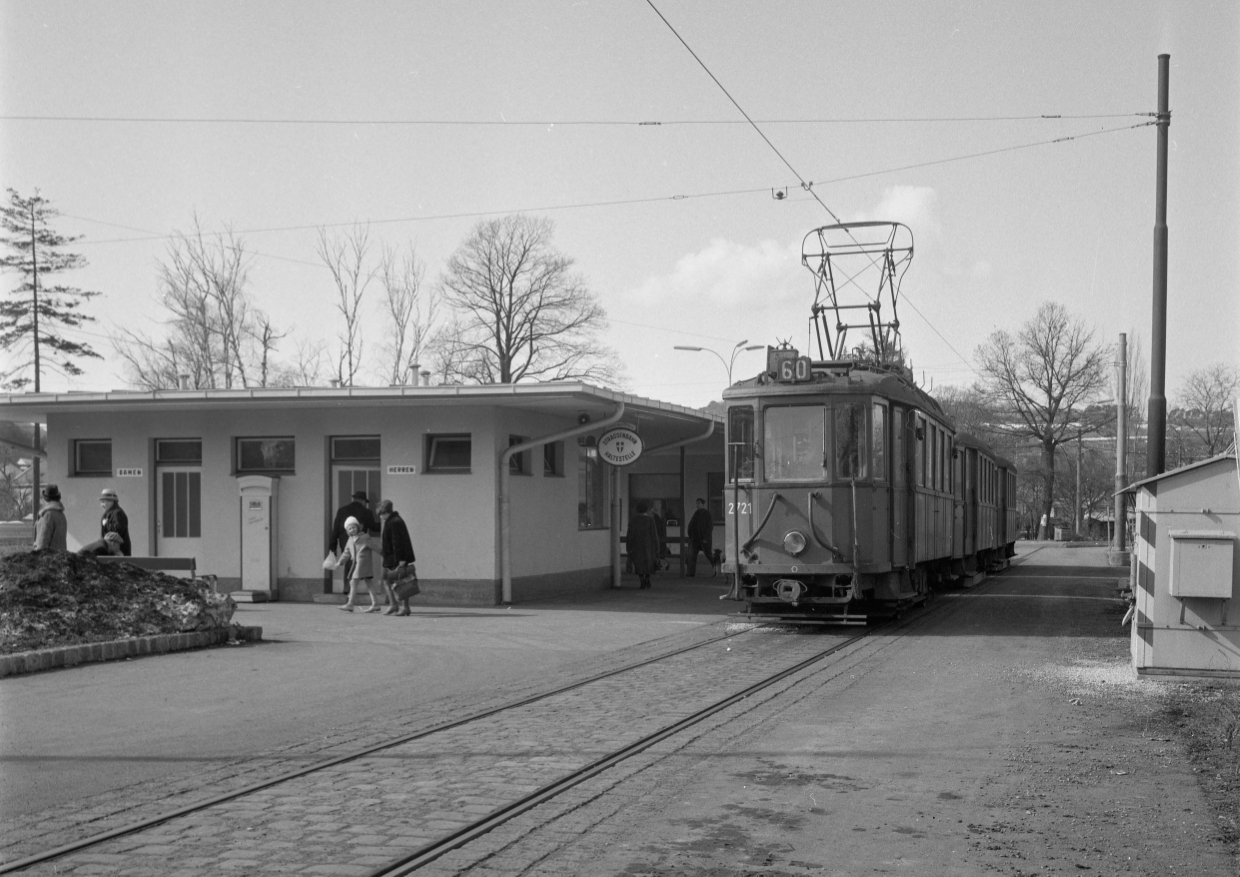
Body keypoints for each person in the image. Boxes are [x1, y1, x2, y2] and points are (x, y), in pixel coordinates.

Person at [329, 490, 380, 585]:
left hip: (345, 541)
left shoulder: (342, 510)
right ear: (363, 501)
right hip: (360, 542)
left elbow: (335, 530)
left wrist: (333, 548)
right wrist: (383, 523)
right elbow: (374, 527)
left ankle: (347, 586)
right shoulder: (366, 512)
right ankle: (360, 585)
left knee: (349, 561)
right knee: (360, 563)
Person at [377, 499, 417, 616]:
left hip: (395, 558)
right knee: (386, 580)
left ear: (384, 512)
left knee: (402, 583)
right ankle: (393, 605)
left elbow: (398, 542)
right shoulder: (393, 521)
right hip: (390, 558)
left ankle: (405, 607)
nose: (380, 517)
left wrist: (401, 560)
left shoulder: (394, 522)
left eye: (380, 514)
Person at [338, 516, 381, 612]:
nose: (352, 530)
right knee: (369, 583)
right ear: (347, 530)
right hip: (357, 564)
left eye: (353, 527)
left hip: (363, 563)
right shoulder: (350, 540)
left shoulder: (365, 537)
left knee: (353, 582)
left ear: (358, 527)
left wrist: (384, 553)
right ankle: (375, 604)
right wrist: (340, 562)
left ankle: (350, 604)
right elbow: (346, 553)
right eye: (349, 528)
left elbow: (375, 547)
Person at [79, 488, 132, 557]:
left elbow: (118, 530)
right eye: (101, 502)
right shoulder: (108, 513)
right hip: (111, 550)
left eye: (103, 502)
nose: (102, 505)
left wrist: (106, 524)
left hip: (119, 551)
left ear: (111, 501)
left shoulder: (117, 513)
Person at [626, 501, 661, 589]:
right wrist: (657, 547)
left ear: (637, 510)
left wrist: (628, 547)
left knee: (639, 564)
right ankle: (647, 578)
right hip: (649, 546)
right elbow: (654, 534)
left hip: (636, 546)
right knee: (648, 563)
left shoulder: (633, 521)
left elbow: (629, 535)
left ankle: (641, 580)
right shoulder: (650, 520)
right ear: (646, 510)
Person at [33, 484, 68, 552]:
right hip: (60, 557)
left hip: (48, 559)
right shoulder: (61, 514)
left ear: (45, 499)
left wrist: (37, 557)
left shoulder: (48, 515)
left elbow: (43, 541)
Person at [686, 498, 714, 577]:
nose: (697, 505)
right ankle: (691, 573)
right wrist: (691, 535)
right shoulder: (696, 513)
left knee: (708, 555)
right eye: (697, 503)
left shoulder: (706, 514)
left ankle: (716, 569)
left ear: (702, 504)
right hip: (696, 539)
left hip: (703, 539)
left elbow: (709, 527)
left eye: (699, 503)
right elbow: (691, 525)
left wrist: (706, 538)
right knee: (693, 556)